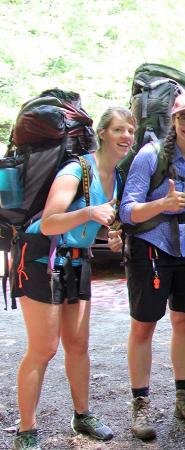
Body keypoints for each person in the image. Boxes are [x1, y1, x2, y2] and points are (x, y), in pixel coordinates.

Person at [11, 106, 132, 449]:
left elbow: (96, 223)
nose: (126, 137)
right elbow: (50, 223)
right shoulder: (76, 168)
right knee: (44, 349)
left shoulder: (117, 177)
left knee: (77, 345)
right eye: (119, 130)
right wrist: (90, 212)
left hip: (77, 261)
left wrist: (112, 235)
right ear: (103, 134)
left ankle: (82, 416)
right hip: (40, 259)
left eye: (131, 131)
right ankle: (26, 431)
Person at [119, 92, 185, 440]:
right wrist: (164, 203)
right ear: (173, 120)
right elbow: (127, 210)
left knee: (184, 322)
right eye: (184, 117)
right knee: (144, 326)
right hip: (151, 248)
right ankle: (141, 403)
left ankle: (184, 396)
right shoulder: (150, 156)